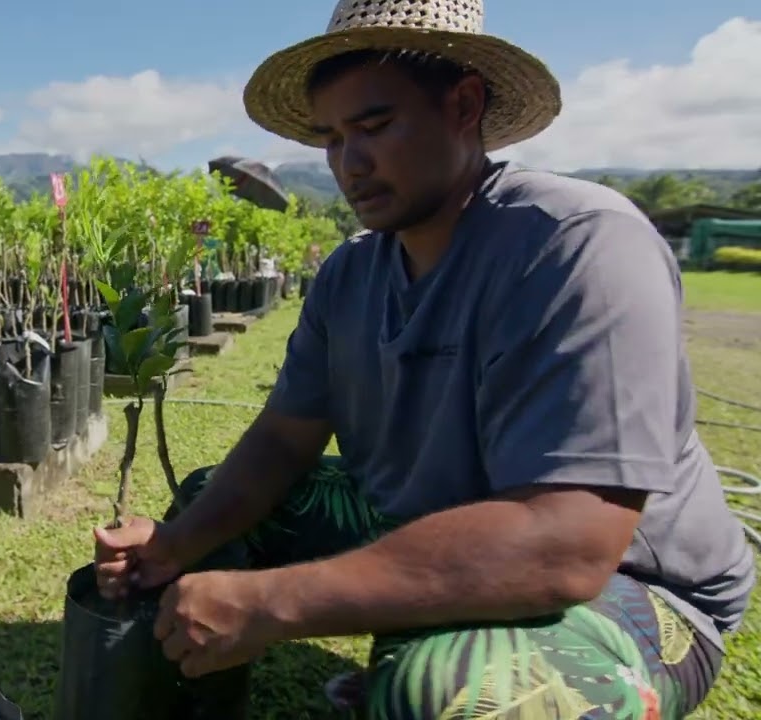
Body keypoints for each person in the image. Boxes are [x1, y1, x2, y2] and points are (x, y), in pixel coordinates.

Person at [91, 1, 757, 718]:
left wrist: (275, 601)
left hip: (630, 586)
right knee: (211, 501)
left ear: (465, 105)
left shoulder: (576, 248)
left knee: (454, 693)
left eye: (375, 127)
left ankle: (416, 669)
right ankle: (219, 678)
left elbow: (569, 543)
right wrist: (176, 544)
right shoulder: (349, 275)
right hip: (429, 518)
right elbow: (284, 438)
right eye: (332, 137)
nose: (350, 163)